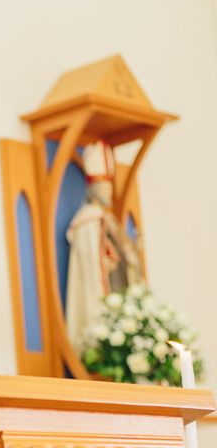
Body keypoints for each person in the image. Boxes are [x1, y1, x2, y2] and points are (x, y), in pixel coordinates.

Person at [65, 140, 143, 350]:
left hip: (116, 287)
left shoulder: (108, 220)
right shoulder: (87, 221)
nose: (109, 193)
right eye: (105, 189)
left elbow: (124, 256)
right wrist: (106, 261)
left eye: (110, 189)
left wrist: (132, 252)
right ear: (94, 191)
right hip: (99, 289)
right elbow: (90, 261)